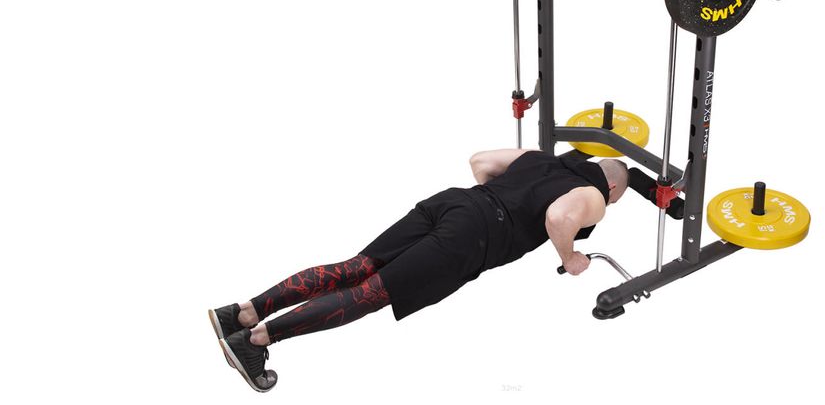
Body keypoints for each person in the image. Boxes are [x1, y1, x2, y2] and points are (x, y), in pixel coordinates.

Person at [208, 148, 629, 392]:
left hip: (453, 202)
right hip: (472, 235)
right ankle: (256, 340)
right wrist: (570, 257)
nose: (605, 205)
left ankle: (242, 314)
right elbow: (559, 218)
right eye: (613, 200)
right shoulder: (595, 195)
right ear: (612, 188)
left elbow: (481, 161)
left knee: (356, 267)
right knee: (369, 293)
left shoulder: (541, 157)